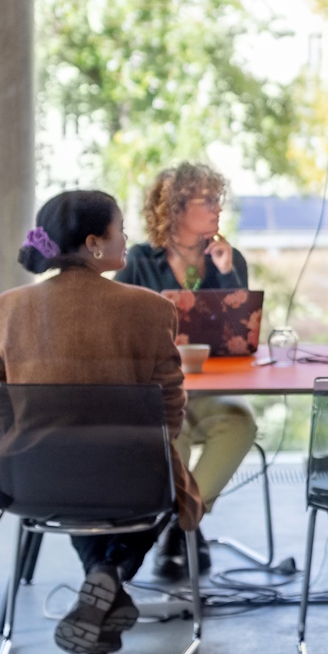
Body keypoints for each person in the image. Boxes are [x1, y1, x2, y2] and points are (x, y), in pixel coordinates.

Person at [0, 190, 198, 654]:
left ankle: (100, 584)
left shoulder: (5, 308)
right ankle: (111, 573)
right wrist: (156, 444)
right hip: (134, 480)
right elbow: (170, 402)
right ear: (95, 243)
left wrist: (16, 438)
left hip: (32, 479)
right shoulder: (152, 308)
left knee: (71, 472)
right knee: (163, 480)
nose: (127, 239)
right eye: (121, 230)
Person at [113, 163, 261, 580]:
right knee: (168, 433)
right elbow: (118, 330)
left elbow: (243, 335)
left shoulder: (229, 259)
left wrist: (228, 274)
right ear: (176, 208)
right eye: (207, 201)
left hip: (211, 391)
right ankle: (184, 529)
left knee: (240, 424)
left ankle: (178, 526)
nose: (217, 208)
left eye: (218, 199)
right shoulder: (139, 262)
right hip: (160, 394)